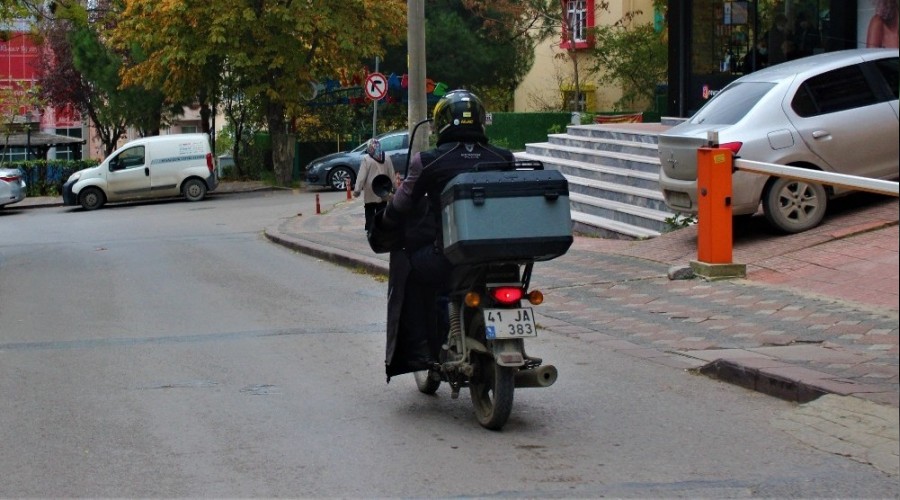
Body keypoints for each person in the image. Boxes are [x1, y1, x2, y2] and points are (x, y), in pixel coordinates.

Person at [374, 89, 515, 378]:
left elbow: (402, 203)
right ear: (479, 121)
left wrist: (386, 217)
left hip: (451, 256)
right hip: (504, 255)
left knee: (413, 266)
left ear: (442, 124)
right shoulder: (503, 157)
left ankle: (423, 350)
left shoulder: (429, 161)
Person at [353, 138, 395, 232]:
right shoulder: (387, 157)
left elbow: (361, 176)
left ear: (369, 148)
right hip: (384, 189)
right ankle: (381, 228)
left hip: (371, 189)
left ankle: (370, 229)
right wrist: (395, 188)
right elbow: (391, 174)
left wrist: (357, 190)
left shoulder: (366, 159)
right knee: (382, 210)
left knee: (369, 210)